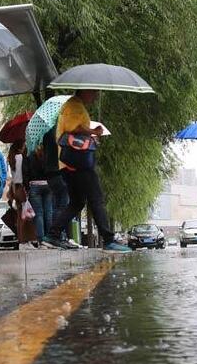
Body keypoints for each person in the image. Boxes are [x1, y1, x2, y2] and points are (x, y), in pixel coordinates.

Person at [42, 90, 130, 252]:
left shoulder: (74, 105)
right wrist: (94, 132)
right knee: (96, 198)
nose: (96, 96)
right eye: (94, 92)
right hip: (78, 163)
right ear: (85, 91)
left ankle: (53, 235)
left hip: (68, 164)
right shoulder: (74, 105)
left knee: (77, 202)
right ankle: (109, 240)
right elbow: (75, 127)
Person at [26, 144, 54, 247]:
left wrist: (26, 186)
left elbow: (26, 172)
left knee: (38, 214)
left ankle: (41, 240)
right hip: (48, 185)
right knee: (49, 212)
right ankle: (50, 238)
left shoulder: (30, 155)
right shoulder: (49, 154)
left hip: (34, 185)